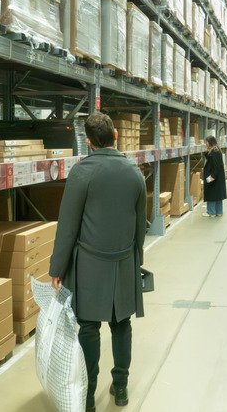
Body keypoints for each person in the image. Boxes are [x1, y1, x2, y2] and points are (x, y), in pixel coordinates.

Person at [49, 112, 147, 412]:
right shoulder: (134, 172)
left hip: (89, 264)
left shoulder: (82, 173)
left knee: (88, 328)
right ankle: (120, 387)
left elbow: (68, 225)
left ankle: (88, 397)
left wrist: (57, 268)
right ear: (115, 136)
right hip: (123, 262)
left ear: (89, 142)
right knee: (122, 325)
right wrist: (135, 260)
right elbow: (140, 225)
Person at [203, 136, 227, 217]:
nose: (205, 143)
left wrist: (212, 176)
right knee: (217, 194)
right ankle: (219, 211)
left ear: (210, 142)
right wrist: (206, 152)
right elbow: (210, 160)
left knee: (211, 194)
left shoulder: (214, 151)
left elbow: (216, 165)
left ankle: (211, 212)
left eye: (206, 142)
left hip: (214, 176)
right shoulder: (215, 150)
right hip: (217, 177)